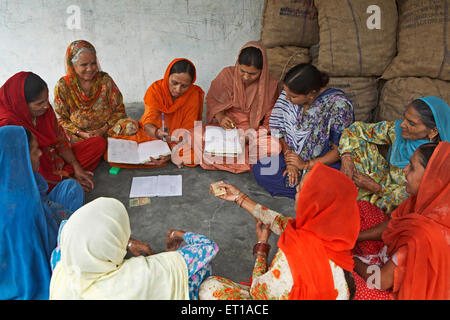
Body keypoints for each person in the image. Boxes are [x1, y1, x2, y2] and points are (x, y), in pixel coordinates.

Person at [199, 162, 360, 300]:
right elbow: (282, 223)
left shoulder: (292, 258)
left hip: (273, 291)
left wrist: (261, 248)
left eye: (301, 190)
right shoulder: (337, 240)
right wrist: (239, 197)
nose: (296, 190)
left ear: (314, 204)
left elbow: (258, 292)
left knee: (209, 288)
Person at [49, 197, 219, 300]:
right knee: (198, 274)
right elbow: (207, 247)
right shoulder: (144, 274)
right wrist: (179, 234)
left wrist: (128, 243)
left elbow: (67, 227)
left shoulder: (60, 262)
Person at [351, 142, 449, 300]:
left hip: (407, 288)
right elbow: (394, 225)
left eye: (412, 167)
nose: (405, 170)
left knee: (352, 286)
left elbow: (381, 281)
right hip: (393, 262)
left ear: (431, 178)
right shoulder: (428, 202)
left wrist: (351, 260)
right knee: (362, 208)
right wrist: (357, 237)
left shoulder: (423, 236)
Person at [0, 125, 84, 300]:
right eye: (35, 151)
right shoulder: (26, 207)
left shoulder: (11, 180)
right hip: (29, 274)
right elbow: (40, 253)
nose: (40, 154)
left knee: (70, 188)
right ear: (19, 159)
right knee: (76, 233)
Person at [252, 63, 354, 199]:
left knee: (330, 184)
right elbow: (280, 130)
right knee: (261, 169)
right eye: (286, 93)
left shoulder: (339, 106)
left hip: (323, 163)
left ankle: (308, 192)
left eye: (293, 96)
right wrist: (291, 161)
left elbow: (339, 151)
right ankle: (307, 193)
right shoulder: (289, 93)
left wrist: (306, 165)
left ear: (311, 94)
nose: (287, 98)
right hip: (293, 155)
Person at [177, 41, 280, 173]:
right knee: (192, 135)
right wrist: (221, 117)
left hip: (250, 134)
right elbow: (213, 100)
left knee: (275, 147)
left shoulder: (271, 86)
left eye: (253, 74)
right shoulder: (227, 75)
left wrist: (248, 137)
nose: (246, 77)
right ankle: (240, 160)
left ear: (263, 70)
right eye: (242, 71)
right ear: (237, 64)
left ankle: (214, 157)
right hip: (224, 130)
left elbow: (270, 122)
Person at [338, 96, 450, 214]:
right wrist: (346, 157)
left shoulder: (438, 160)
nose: (402, 124)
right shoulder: (396, 131)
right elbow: (355, 129)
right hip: (381, 180)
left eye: (411, 123)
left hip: (398, 200)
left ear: (433, 131)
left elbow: (418, 196)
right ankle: (358, 198)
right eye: (404, 117)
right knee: (356, 144)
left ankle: (358, 199)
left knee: (406, 207)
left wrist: (376, 188)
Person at [0, 71, 106, 192]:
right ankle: (60, 182)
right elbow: (21, 168)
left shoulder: (44, 110)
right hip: (34, 171)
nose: (46, 106)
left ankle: (65, 178)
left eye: (46, 100)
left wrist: (76, 166)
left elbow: (59, 139)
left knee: (98, 144)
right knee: (40, 183)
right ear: (21, 104)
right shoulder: (7, 125)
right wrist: (62, 180)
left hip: (55, 160)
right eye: (40, 103)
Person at [111, 58, 204, 168]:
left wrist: (173, 150)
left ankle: (168, 154)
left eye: (184, 86)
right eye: (174, 83)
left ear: (191, 84)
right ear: (167, 76)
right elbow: (148, 121)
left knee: (198, 155)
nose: (178, 89)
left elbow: (189, 129)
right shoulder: (155, 90)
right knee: (114, 150)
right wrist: (157, 133)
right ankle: (164, 153)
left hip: (179, 139)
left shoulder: (193, 94)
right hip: (153, 135)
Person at [54, 40, 138, 144]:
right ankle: (101, 146)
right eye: (84, 65)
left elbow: (119, 110)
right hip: (79, 134)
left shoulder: (105, 80)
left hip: (107, 130)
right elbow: (62, 119)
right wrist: (82, 134)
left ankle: (99, 146)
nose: (90, 69)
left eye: (93, 63)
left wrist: (102, 130)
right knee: (61, 136)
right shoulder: (63, 86)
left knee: (131, 126)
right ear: (72, 65)